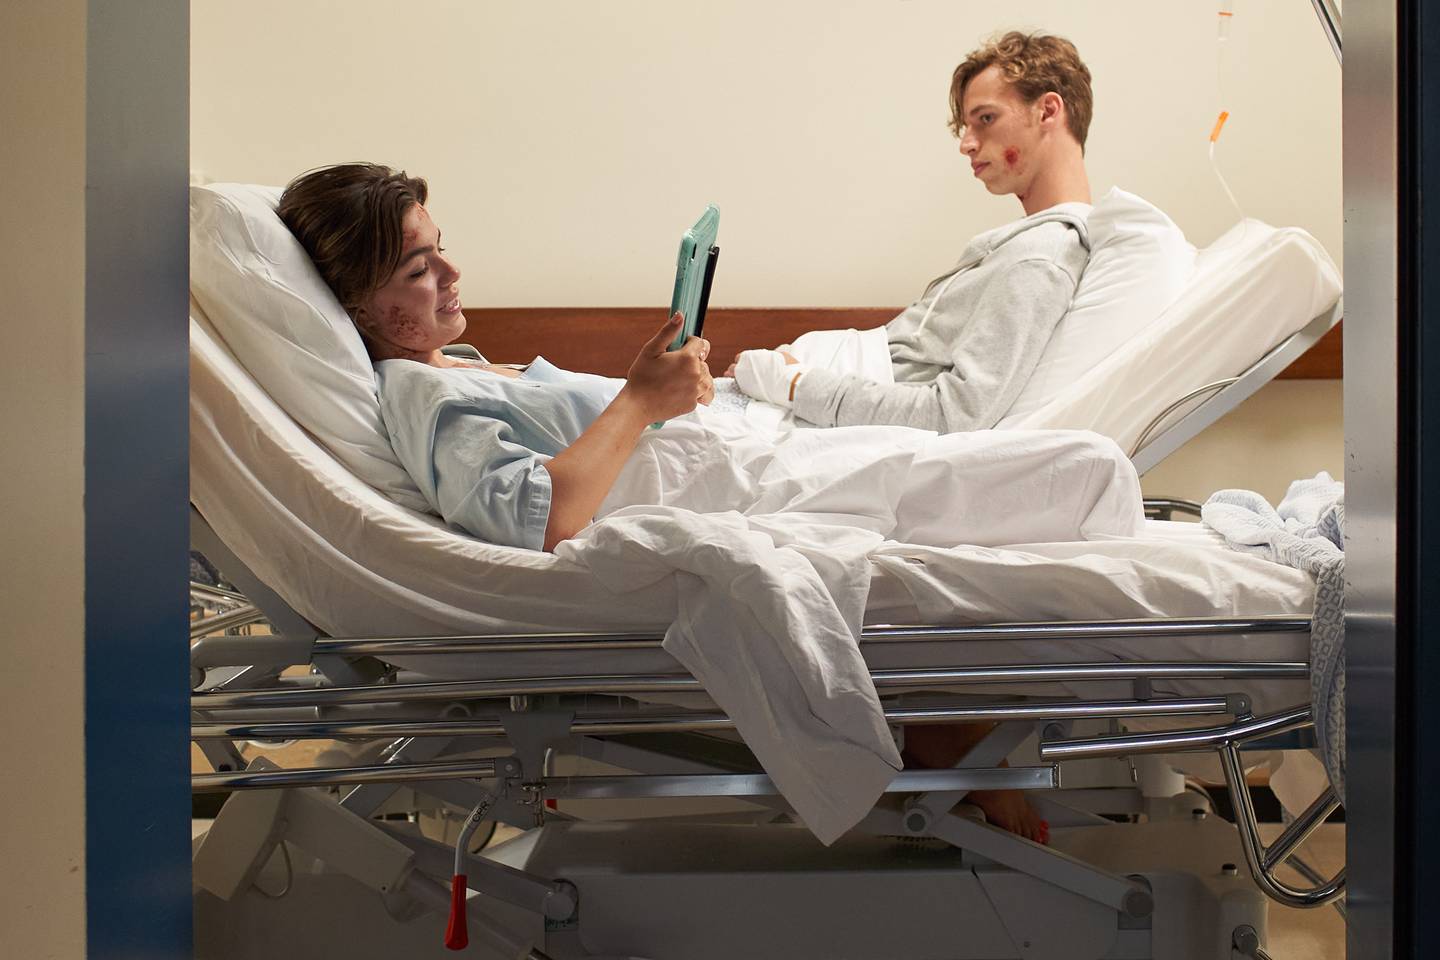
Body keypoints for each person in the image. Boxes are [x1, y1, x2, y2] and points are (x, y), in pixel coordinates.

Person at [278, 162, 1142, 842]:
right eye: (419, 267)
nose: (452, 271)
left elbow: (585, 445)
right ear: (360, 306)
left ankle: (953, 724)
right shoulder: (421, 396)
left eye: (441, 248)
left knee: (1083, 471)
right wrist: (639, 400)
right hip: (746, 483)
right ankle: (956, 728)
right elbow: (534, 518)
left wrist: (664, 392)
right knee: (1085, 471)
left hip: (751, 455)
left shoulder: (455, 368)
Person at [730, 31, 1094, 435]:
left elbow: (954, 414)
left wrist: (793, 384)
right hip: (796, 388)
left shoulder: (1042, 258)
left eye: (986, 119)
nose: (966, 144)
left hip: (804, 401)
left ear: (1047, 111)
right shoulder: (1026, 245)